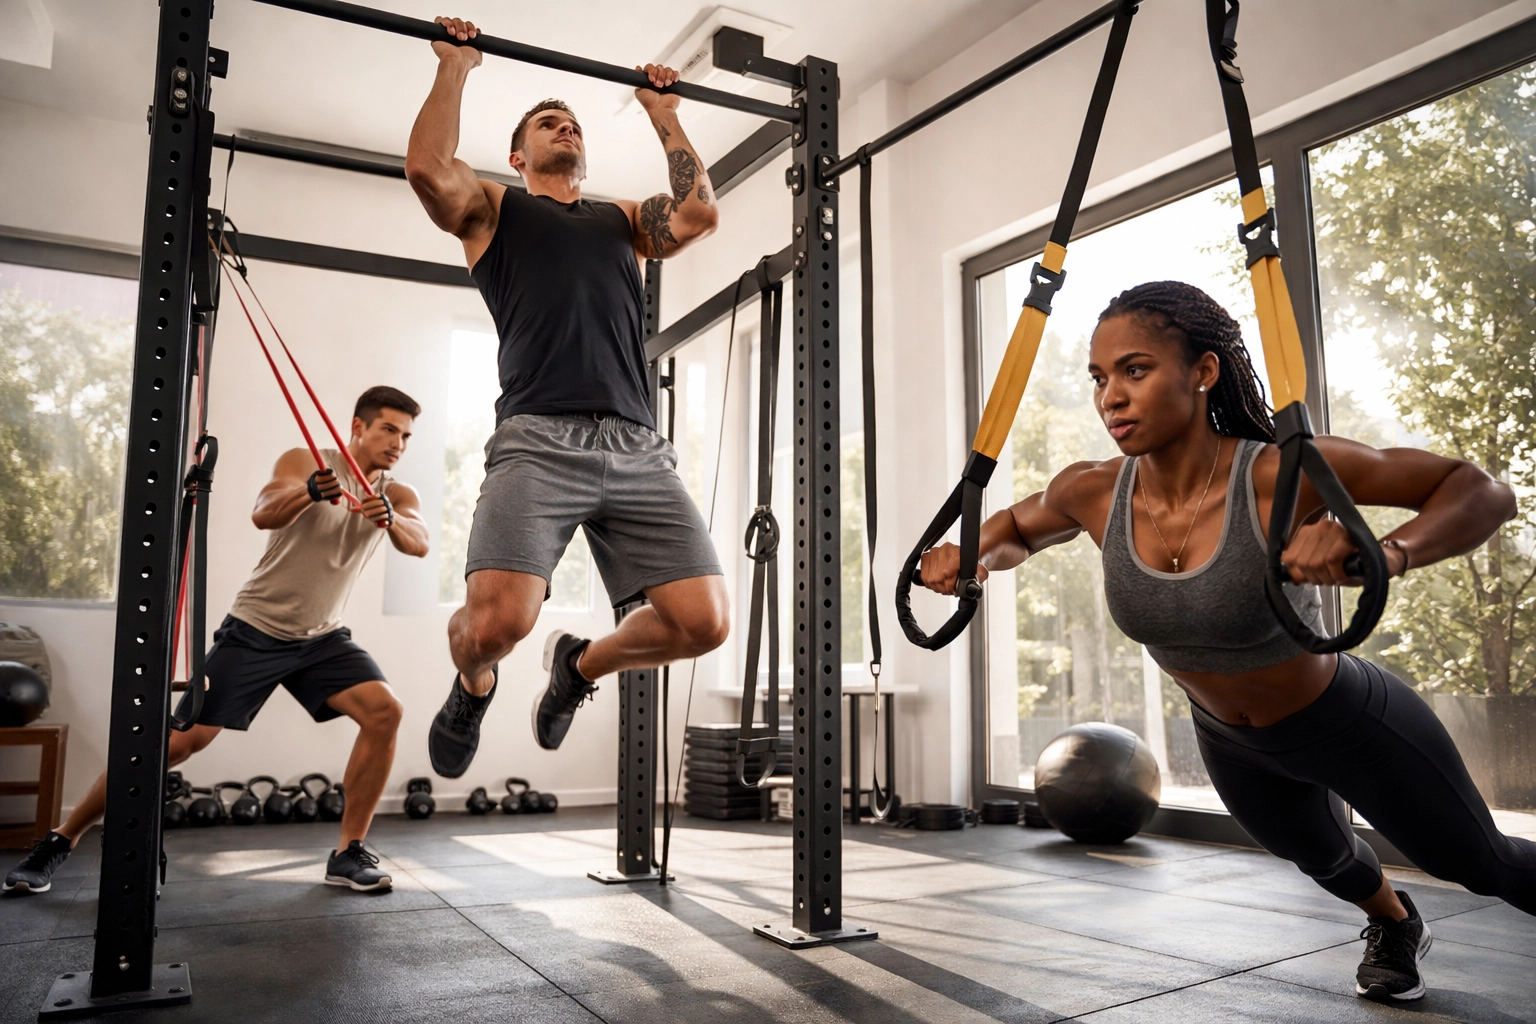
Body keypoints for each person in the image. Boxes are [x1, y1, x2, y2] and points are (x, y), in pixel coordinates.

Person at [918, 281, 1536, 1004]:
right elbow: (1016, 532)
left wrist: (1382, 551)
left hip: (1347, 721)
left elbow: (1482, 491)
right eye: (1099, 377)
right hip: (1231, 743)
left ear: (1203, 371)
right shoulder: (1092, 490)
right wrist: (971, 558)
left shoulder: (1280, 473)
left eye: (1135, 370)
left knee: (1482, 865)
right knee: (1324, 858)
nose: (1111, 397)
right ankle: (1396, 922)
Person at [405, 17, 728, 778]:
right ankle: (473, 684)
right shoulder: (496, 209)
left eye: (573, 121)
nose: (566, 126)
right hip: (538, 441)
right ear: (519, 155)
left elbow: (698, 214)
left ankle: (578, 667)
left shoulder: (623, 219)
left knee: (704, 625)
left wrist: (663, 113)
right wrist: (456, 65)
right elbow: (427, 168)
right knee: (495, 628)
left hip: (636, 446)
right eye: (548, 122)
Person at [3, 386, 430, 896]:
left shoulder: (397, 493)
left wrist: (390, 519)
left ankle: (347, 852)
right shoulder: (307, 461)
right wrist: (310, 493)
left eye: (407, 436)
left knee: (385, 712)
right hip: (256, 628)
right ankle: (61, 838)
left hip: (322, 637)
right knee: (179, 743)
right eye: (389, 429)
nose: (398, 443)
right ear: (358, 426)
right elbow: (265, 510)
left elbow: (419, 541)